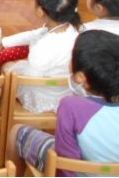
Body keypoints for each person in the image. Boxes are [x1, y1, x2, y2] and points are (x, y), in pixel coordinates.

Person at [7, 30, 119, 176]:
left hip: (79, 172)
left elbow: (66, 164)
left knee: (18, 132)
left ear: (81, 76)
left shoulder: (71, 106)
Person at [1, 0, 81, 114]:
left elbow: (29, 79)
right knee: (18, 63)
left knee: (6, 66)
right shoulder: (70, 29)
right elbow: (33, 35)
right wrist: (5, 42)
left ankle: (1, 95)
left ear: (40, 11)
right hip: (64, 92)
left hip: (43, 98)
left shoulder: (45, 47)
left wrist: (12, 72)